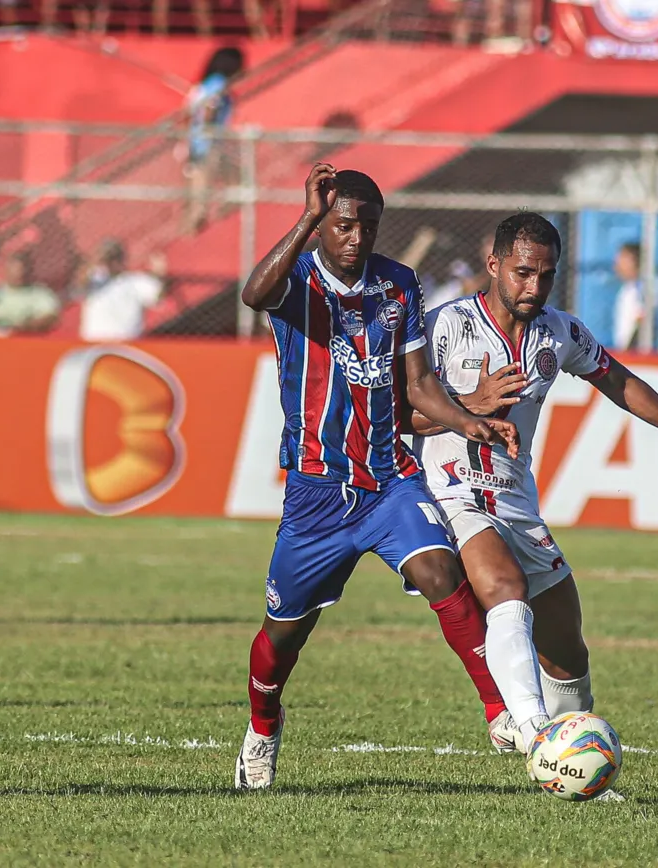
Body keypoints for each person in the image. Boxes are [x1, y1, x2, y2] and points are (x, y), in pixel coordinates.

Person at [407, 212, 658, 756]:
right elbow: (390, 415)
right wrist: (468, 407)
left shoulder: (560, 332)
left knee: (566, 647)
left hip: (513, 495)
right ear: (494, 265)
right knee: (505, 589)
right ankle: (532, 736)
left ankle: (576, 760)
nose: (534, 287)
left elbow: (620, 382)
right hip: (449, 490)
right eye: (523, 272)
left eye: (547, 275)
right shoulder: (441, 326)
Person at [233, 163, 532, 790]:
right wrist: (307, 218)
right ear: (323, 226)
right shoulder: (298, 281)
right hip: (316, 489)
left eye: (366, 226)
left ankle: (499, 711)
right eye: (342, 225)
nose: (355, 238)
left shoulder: (397, 285)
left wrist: (469, 420)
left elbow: (420, 384)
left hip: (388, 477)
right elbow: (254, 295)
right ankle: (262, 728)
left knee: (438, 570)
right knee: (282, 638)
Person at [181, 47, 245, 235]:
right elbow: (209, 110)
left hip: (201, 144)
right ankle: (192, 232)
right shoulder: (218, 84)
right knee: (201, 198)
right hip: (209, 146)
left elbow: (189, 112)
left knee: (204, 193)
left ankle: (199, 224)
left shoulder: (205, 85)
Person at [78, 240, 166, 342]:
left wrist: (159, 274)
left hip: (127, 343)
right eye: (110, 259)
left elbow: (158, 294)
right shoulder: (95, 279)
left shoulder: (136, 281)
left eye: (115, 258)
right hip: (94, 342)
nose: (113, 263)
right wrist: (96, 260)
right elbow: (80, 284)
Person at [0, 252, 61, 335]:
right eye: (15, 270)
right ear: (6, 271)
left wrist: (21, 328)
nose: (19, 274)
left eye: (22, 270)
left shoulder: (40, 294)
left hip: (28, 341)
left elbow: (49, 317)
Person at [612, 241, 643, 351]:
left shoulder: (642, 291)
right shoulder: (627, 290)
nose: (617, 265)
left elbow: (642, 322)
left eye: (622, 260)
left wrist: (628, 351)